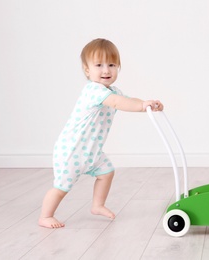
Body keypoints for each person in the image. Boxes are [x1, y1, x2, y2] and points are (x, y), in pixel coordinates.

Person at [38, 38, 164, 228]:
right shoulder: (93, 90)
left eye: (112, 65)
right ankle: (45, 216)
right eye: (99, 65)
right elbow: (117, 103)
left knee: (106, 172)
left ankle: (98, 205)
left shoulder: (113, 90)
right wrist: (140, 106)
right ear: (87, 70)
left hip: (92, 150)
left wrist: (146, 104)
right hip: (72, 150)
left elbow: (127, 100)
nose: (106, 70)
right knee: (62, 187)